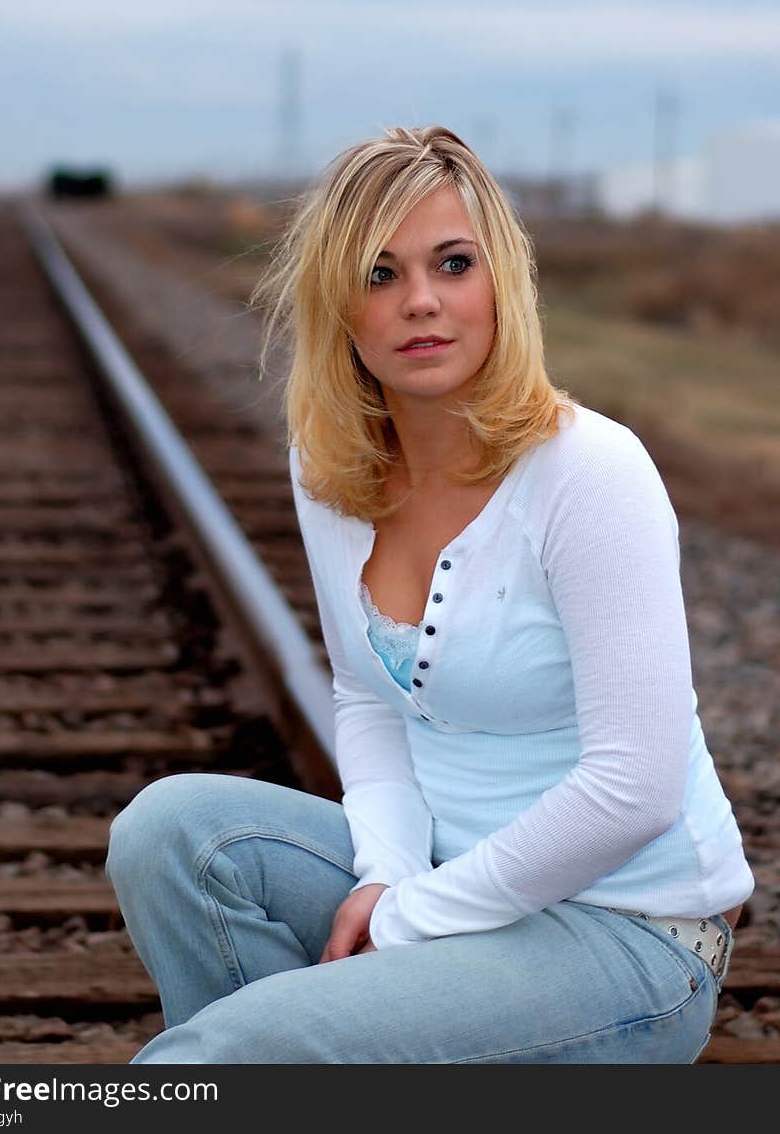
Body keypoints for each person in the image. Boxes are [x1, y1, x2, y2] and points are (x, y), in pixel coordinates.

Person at [106, 124, 753, 1063]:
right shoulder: (331, 464)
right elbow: (366, 698)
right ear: (341, 307)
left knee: (233, 1052)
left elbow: (636, 787)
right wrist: (394, 873)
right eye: (378, 274)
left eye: (452, 263)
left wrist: (409, 920)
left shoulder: (590, 472)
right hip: (450, 887)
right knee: (168, 834)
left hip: (628, 936)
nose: (420, 302)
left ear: (501, 283)